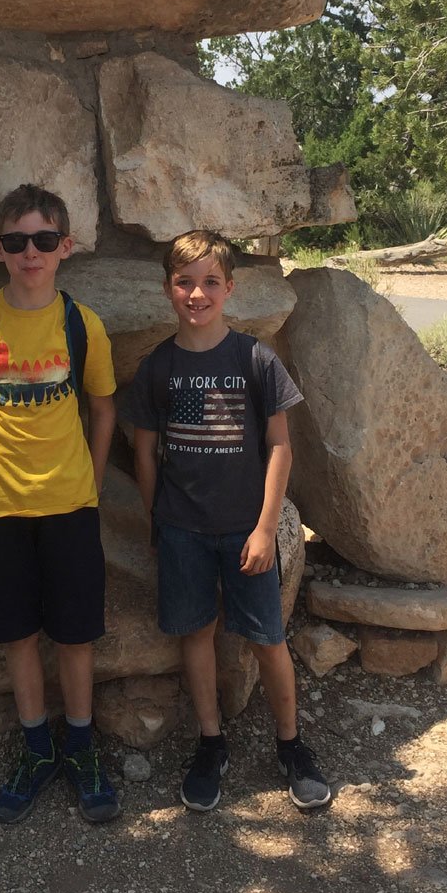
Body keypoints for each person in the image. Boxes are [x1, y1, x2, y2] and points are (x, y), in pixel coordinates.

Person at [0, 183, 121, 826]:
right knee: (16, 634)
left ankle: (80, 744)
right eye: (17, 242)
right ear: (0, 250)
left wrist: (91, 478)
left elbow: (103, 409)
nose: (31, 253)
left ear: (65, 247)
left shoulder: (81, 323)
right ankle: (36, 748)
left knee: (74, 634)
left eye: (44, 240)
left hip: (70, 503)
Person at [126, 229, 331, 813]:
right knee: (196, 634)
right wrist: (155, 518)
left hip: (247, 531)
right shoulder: (158, 366)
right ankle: (211, 743)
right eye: (185, 282)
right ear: (168, 290)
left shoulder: (254, 358)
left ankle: (291, 746)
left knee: (267, 639)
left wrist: (267, 528)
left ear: (230, 289)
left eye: (210, 282)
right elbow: (145, 452)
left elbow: (280, 447)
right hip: (182, 530)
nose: (197, 294)